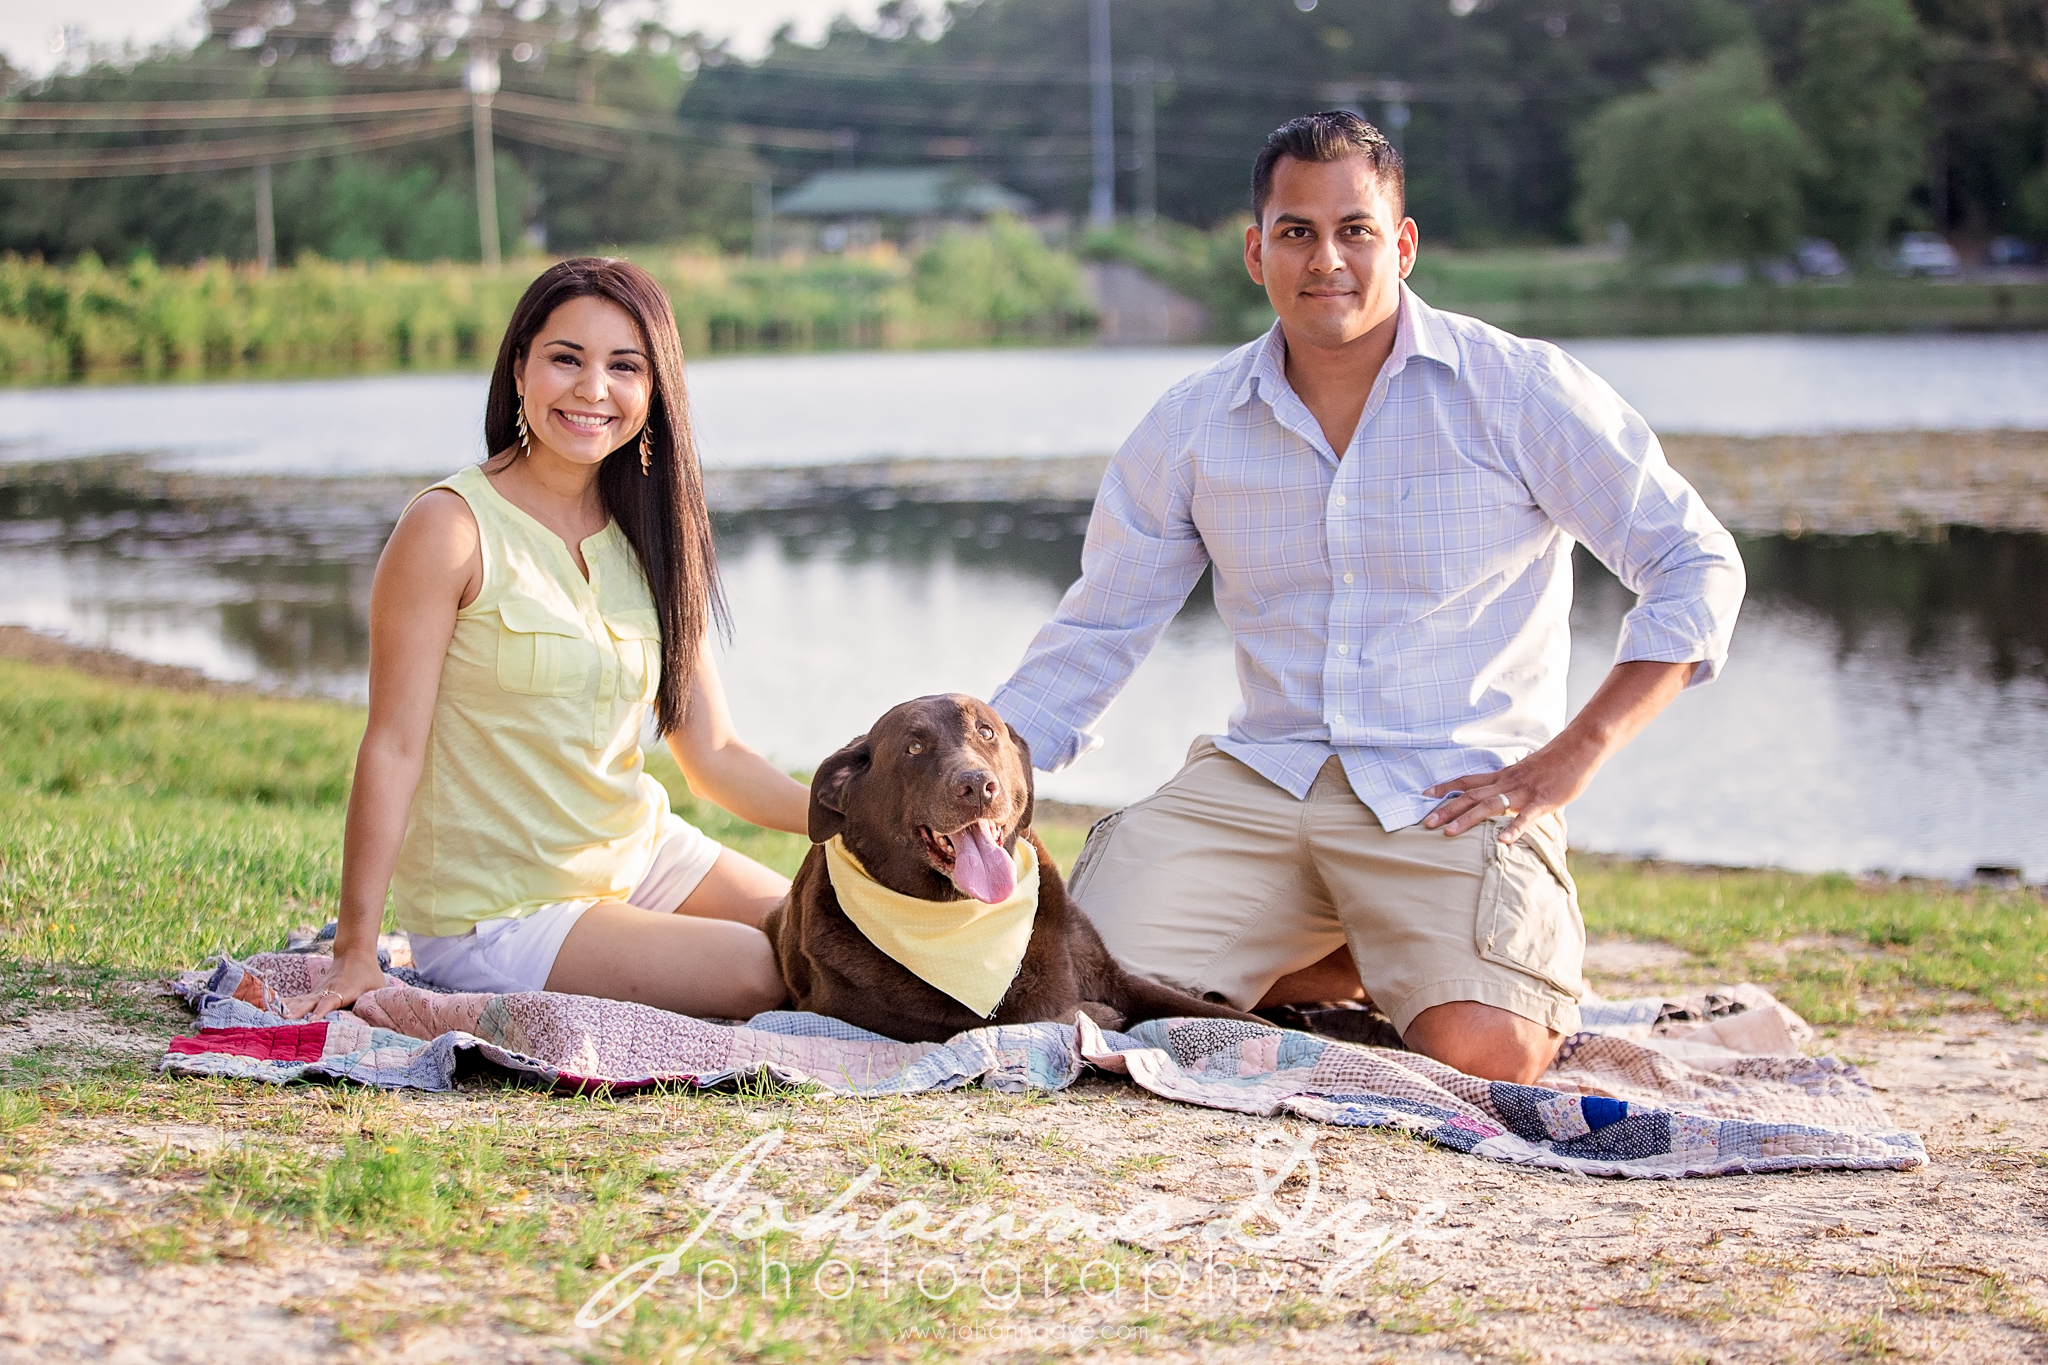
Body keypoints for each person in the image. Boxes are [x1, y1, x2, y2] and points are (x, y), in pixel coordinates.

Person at [990, 112, 1745, 1084]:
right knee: (1065, 1000)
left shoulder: (1515, 390)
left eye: (1353, 229)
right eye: (1296, 232)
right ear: (1254, 250)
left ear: (1402, 243)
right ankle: (1344, 951)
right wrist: (984, 783)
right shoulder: (1190, 424)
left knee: (1488, 1056)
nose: (1326, 259)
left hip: (1451, 794)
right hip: (1263, 783)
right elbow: (1098, 628)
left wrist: (1573, 755)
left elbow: (1691, 562)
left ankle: (1385, 951)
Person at [284, 258, 806, 1021]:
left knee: (831, 942)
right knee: (761, 971)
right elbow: (393, 745)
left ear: (655, 391)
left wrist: (845, 815)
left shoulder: (653, 537)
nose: (594, 389)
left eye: (624, 366)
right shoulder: (449, 529)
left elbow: (717, 757)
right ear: (521, 364)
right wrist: (356, 948)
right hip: (503, 909)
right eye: (567, 358)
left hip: (640, 853)